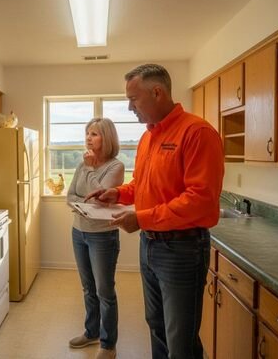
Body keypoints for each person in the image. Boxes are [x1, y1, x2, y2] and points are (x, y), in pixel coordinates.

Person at [86, 64, 224, 359]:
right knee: (157, 325)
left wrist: (142, 218)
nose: (129, 107)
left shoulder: (197, 132)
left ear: (157, 92)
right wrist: (117, 193)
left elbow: (200, 199)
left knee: (180, 339)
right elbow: (142, 184)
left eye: (133, 99)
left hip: (182, 249)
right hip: (150, 244)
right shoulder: (149, 137)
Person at [67, 118, 125, 359]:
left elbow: (100, 199)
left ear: (107, 138)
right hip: (78, 231)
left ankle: (108, 343)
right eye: (87, 133)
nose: (88, 138)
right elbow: (70, 195)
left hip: (102, 236)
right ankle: (91, 332)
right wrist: (84, 200)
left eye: (94, 134)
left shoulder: (116, 167)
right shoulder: (82, 165)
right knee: (88, 287)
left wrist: (90, 171)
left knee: (104, 290)